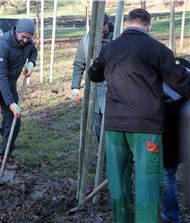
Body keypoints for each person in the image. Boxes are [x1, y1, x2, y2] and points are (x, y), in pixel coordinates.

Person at [88, 8, 190, 223]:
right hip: (146, 128)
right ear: (148, 26)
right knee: (148, 183)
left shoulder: (110, 48)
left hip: (114, 126)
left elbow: (94, 75)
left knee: (118, 182)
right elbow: (181, 83)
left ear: (126, 23)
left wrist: (94, 65)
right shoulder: (157, 49)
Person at [0, 18, 38, 169]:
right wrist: (10, 103)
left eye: (29, 38)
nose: (26, 40)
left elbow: (33, 51)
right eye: (23, 37)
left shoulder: (28, 42)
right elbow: (0, 76)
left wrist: (31, 63)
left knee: (14, 119)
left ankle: (4, 155)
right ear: (16, 32)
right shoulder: (3, 44)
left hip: (9, 83)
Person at [71, 13, 113, 141]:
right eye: (99, 29)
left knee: (112, 131)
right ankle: (103, 159)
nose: (102, 31)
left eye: (104, 27)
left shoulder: (117, 38)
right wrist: (75, 87)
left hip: (113, 93)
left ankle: (112, 158)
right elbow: (79, 64)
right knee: (99, 128)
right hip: (95, 93)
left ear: (107, 24)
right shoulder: (85, 40)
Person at [161, 58, 190, 223]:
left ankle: (171, 216)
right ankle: (171, 216)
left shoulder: (159, 81)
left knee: (167, 174)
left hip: (170, 131)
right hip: (174, 132)